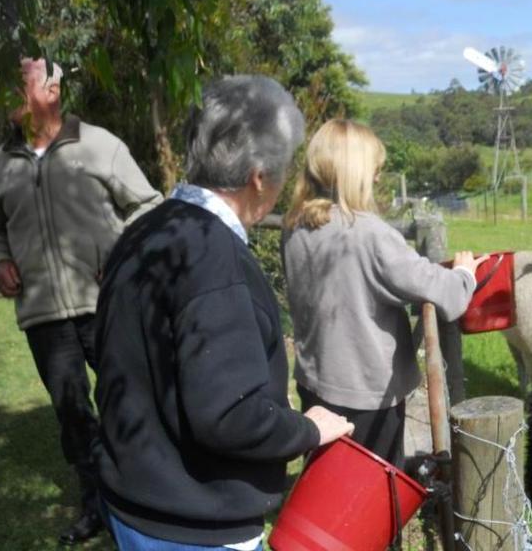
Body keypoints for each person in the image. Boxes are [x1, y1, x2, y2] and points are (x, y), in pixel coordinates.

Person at [92, 75, 354, 551]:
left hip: (133, 502)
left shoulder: (144, 229)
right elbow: (231, 414)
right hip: (193, 525)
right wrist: (309, 429)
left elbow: (110, 351)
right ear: (259, 177)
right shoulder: (215, 258)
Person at [0, 57, 162, 545]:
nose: (10, 93)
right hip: (43, 316)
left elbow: (149, 205)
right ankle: (98, 507)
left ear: (53, 92)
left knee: (134, 400)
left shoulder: (100, 146)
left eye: (20, 84)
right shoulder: (2, 161)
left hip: (105, 305)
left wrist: (121, 253)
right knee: (73, 416)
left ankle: (154, 495)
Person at [283, 119, 485, 469]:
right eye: (374, 170)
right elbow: (443, 293)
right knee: (373, 493)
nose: (378, 178)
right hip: (367, 396)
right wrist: (465, 273)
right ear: (355, 173)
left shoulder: (296, 225)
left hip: (314, 381)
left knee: (325, 482)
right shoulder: (370, 235)